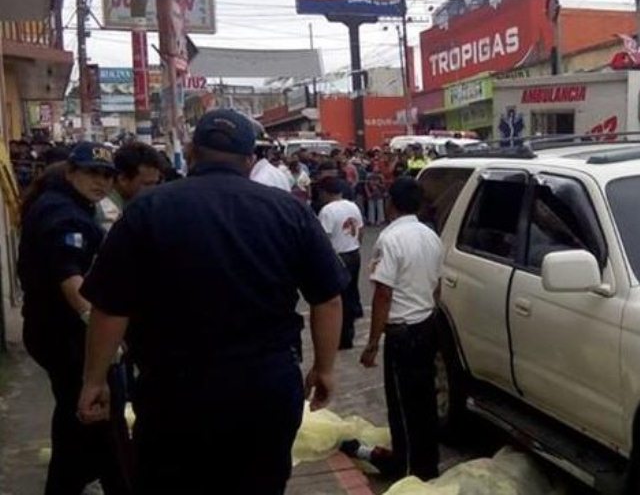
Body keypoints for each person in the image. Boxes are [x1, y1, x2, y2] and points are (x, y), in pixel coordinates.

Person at [76, 110, 346, 495]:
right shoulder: (289, 211)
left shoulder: (147, 210)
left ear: (191, 151)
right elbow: (328, 299)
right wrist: (324, 368)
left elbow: (110, 307)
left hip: (174, 392)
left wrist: (94, 380)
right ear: (250, 159)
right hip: (264, 388)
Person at [18, 143, 131, 495]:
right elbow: (72, 281)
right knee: (99, 415)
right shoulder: (63, 216)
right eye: (91, 173)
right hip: (67, 335)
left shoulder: (66, 205)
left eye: (106, 175)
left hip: (54, 332)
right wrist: (103, 335)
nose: (100, 182)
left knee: (80, 421)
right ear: (71, 172)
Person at [360, 178, 443, 480]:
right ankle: (428, 461)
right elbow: (438, 285)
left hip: (403, 333)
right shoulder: (430, 235)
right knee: (425, 400)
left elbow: (384, 294)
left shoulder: (390, 239)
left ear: (391, 204)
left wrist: (371, 344)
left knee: (403, 406)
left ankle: (409, 469)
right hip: (427, 324)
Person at [318, 178, 364, 349]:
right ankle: (349, 332)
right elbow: (361, 228)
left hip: (338, 256)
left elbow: (323, 238)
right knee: (351, 294)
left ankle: (342, 338)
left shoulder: (327, 211)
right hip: (353, 253)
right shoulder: (353, 206)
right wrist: (356, 244)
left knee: (338, 299)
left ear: (326, 192)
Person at [98, 141, 163, 232]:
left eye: (156, 183)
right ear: (123, 179)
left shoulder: (129, 205)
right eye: (147, 184)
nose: (154, 189)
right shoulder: (109, 212)